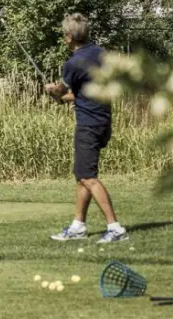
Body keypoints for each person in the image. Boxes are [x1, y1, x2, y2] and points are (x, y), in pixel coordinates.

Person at [46, 13, 128, 243]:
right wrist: (64, 97)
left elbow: (62, 90)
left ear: (69, 37)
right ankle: (78, 225)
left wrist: (52, 90)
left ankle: (115, 228)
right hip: (103, 120)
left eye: (64, 34)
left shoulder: (73, 63)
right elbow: (83, 93)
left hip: (88, 124)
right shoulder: (101, 54)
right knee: (82, 176)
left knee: (88, 177)